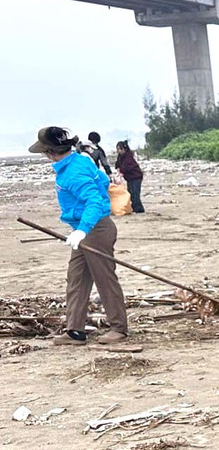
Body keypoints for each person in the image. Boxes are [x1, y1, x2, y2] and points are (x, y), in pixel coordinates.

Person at [29, 127, 128, 346]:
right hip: (85, 229)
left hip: (95, 230)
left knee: (105, 279)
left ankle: (119, 329)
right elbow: (103, 181)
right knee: (77, 279)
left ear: (50, 152)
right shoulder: (80, 161)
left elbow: (93, 199)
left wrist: (83, 229)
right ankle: (75, 330)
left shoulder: (73, 172)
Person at [114, 141, 145, 214]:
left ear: (124, 149)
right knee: (130, 193)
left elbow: (126, 167)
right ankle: (134, 208)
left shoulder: (129, 156)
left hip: (136, 177)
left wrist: (121, 172)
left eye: (120, 149)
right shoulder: (120, 156)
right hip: (129, 178)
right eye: (118, 149)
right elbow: (118, 164)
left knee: (135, 193)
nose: (119, 151)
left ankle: (139, 210)